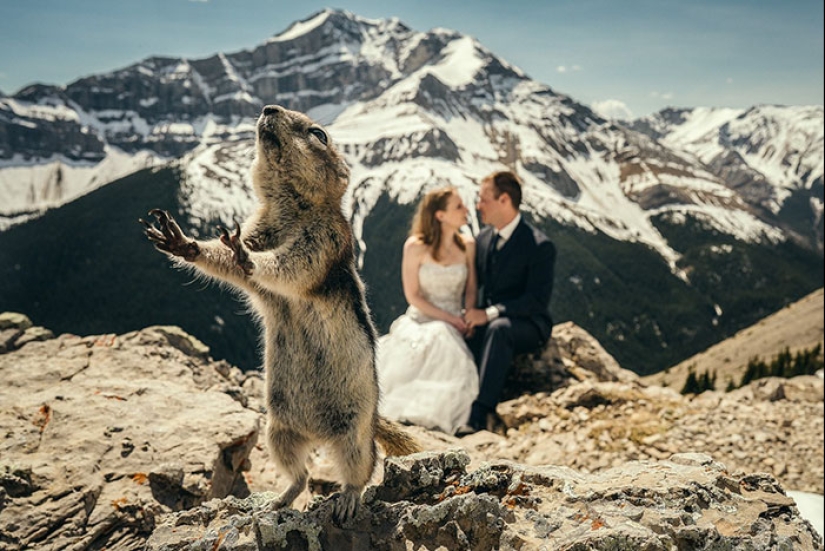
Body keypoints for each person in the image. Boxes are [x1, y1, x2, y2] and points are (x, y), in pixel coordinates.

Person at [375, 186, 480, 435]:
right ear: (439, 215)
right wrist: (449, 320)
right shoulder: (415, 246)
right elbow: (413, 295)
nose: (467, 210)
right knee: (432, 340)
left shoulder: (468, 245)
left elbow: (471, 288)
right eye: (459, 206)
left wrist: (468, 314)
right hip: (422, 318)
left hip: (456, 319)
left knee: (446, 349)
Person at [460, 170, 556, 435]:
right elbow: (474, 285)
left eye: (483, 199)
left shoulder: (539, 246)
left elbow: (536, 300)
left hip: (528, 323)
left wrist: (489, 314)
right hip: (493, 322)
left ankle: (480, 414)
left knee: (498, 329)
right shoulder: (483, 240)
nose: (478, 205)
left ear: (504, 200)